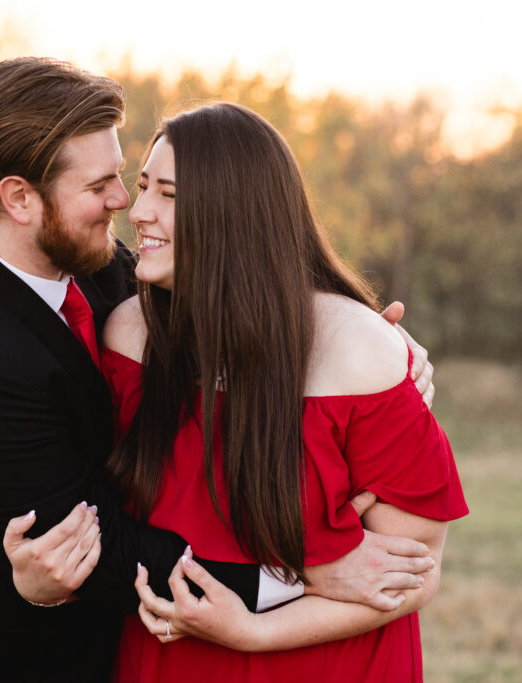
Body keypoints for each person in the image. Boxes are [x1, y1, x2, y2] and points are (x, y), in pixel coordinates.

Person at [0, 57, 437, 682]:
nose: (125, 203)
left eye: (129, 178)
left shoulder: (84, 258)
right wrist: (303, 569)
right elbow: (99, 550)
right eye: (101, 186)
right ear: (19, 198)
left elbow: (220, 286)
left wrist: (371, 344)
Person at [95, 103, 469, 681]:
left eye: (168, 195)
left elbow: (414, 573)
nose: (138, 211)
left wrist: (256, 631)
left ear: (236, 213)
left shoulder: (357, 352)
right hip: (167, 663)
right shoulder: (126, 337)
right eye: (144, 187)